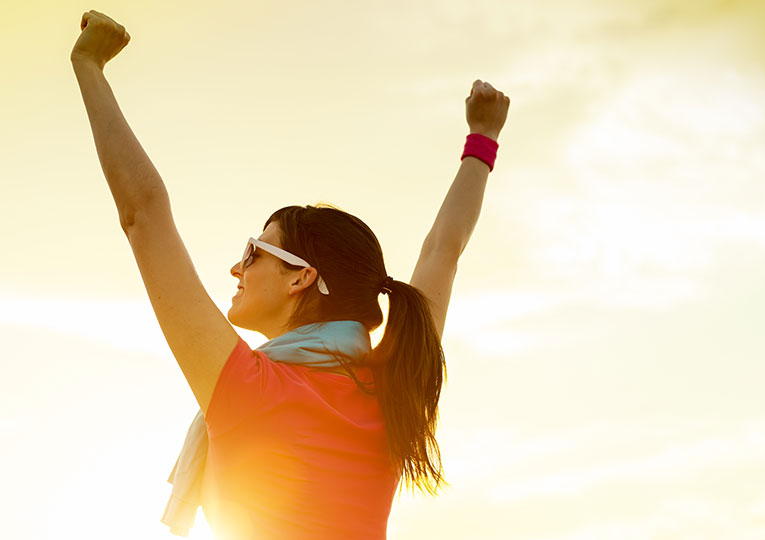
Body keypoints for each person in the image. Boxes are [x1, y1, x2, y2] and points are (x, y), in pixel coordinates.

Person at [70, 10, 509, 539]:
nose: (236, 267)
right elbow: (444, 252)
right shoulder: (396, 390)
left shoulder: (247, 389)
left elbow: (143, 214)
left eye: (254, 251)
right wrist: (482, 138)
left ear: (303, 278)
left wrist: (89, 66)